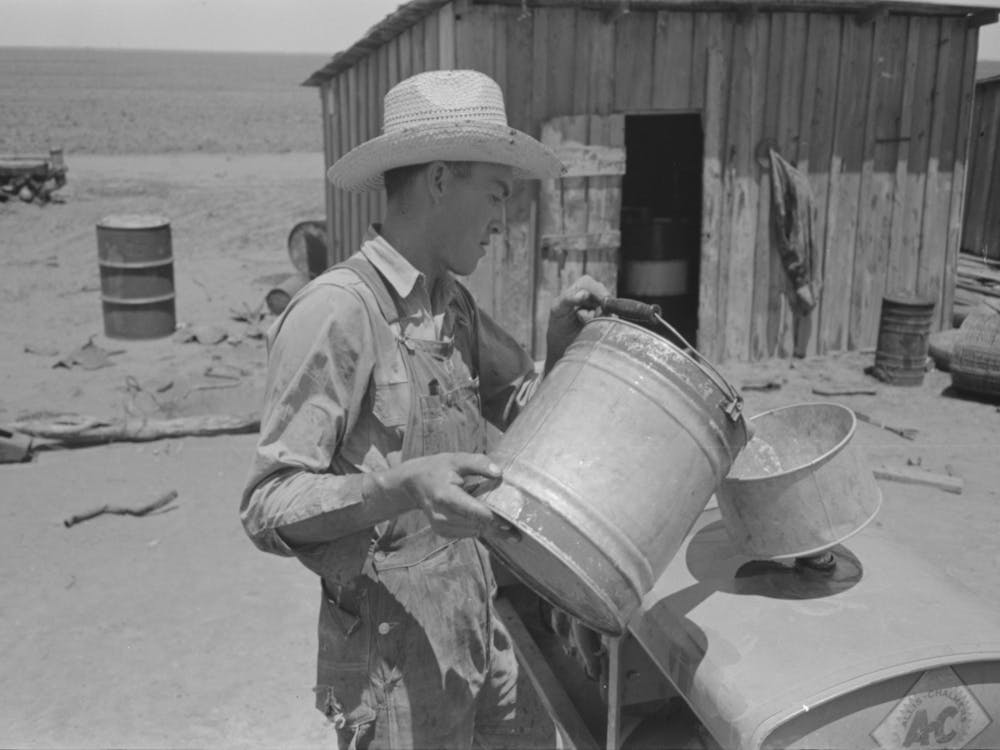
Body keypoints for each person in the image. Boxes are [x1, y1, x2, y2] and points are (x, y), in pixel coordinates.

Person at [240, 68, 610, 749]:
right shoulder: (337, 312)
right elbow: (268, 504)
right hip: (395, 660)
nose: (503, 219)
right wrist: (401, 487)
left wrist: (559, 352)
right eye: (496, 194)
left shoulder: (454, 304)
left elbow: (526, 418)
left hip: (485, 627)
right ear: (441, 180)